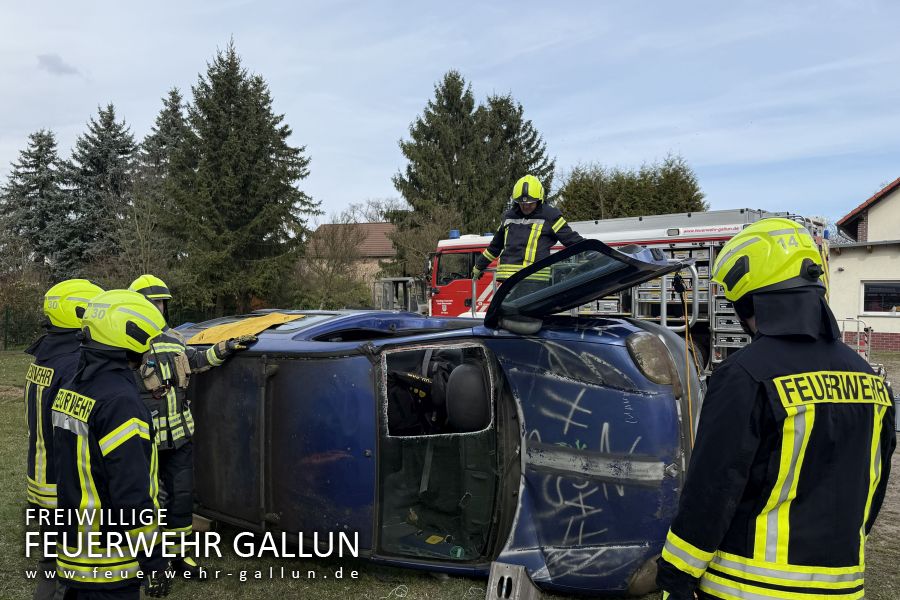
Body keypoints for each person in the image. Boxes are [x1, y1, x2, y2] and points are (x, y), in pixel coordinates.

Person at [656, 218, 896, 599]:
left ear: (750, 300)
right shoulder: (869, 379)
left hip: (749, 587)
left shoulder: (746, 375)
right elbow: (874, 486)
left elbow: (712, 489)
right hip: (843, 585)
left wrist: (676, 576)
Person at [128, 274, 254, 576]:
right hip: (146, 439)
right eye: (152, 302)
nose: (158, 308)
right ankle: (152, 562)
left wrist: (225, 348)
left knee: (182, 498)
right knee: (151, 502)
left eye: (161, 303)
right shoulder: (126, 346)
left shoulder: (173, 339)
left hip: (180, 436)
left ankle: (180, 557)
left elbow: (196, 360)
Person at [52, 289, 171, 598]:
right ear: (129, 339)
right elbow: (131, 494)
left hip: (75, 547)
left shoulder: (74, 384)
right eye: (147, 344)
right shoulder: (120, 402)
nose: (149, 352)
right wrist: (155, 560)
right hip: (109, 558)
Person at [24, 279, 103, 600]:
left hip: (40, 479)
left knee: (49, 564)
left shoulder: (45, 356)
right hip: (64, 486)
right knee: (70, 573)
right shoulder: (72, 363)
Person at [472, 174, 584, 294]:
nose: (525, 206)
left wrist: (594, 252)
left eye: (530, 203)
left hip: (534, 281)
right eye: (522, 203)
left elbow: (571, 240)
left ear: (539, 199)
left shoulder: (551, 216)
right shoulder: (508, 216)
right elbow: (494, 247)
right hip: (508, 281)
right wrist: (479, 266)